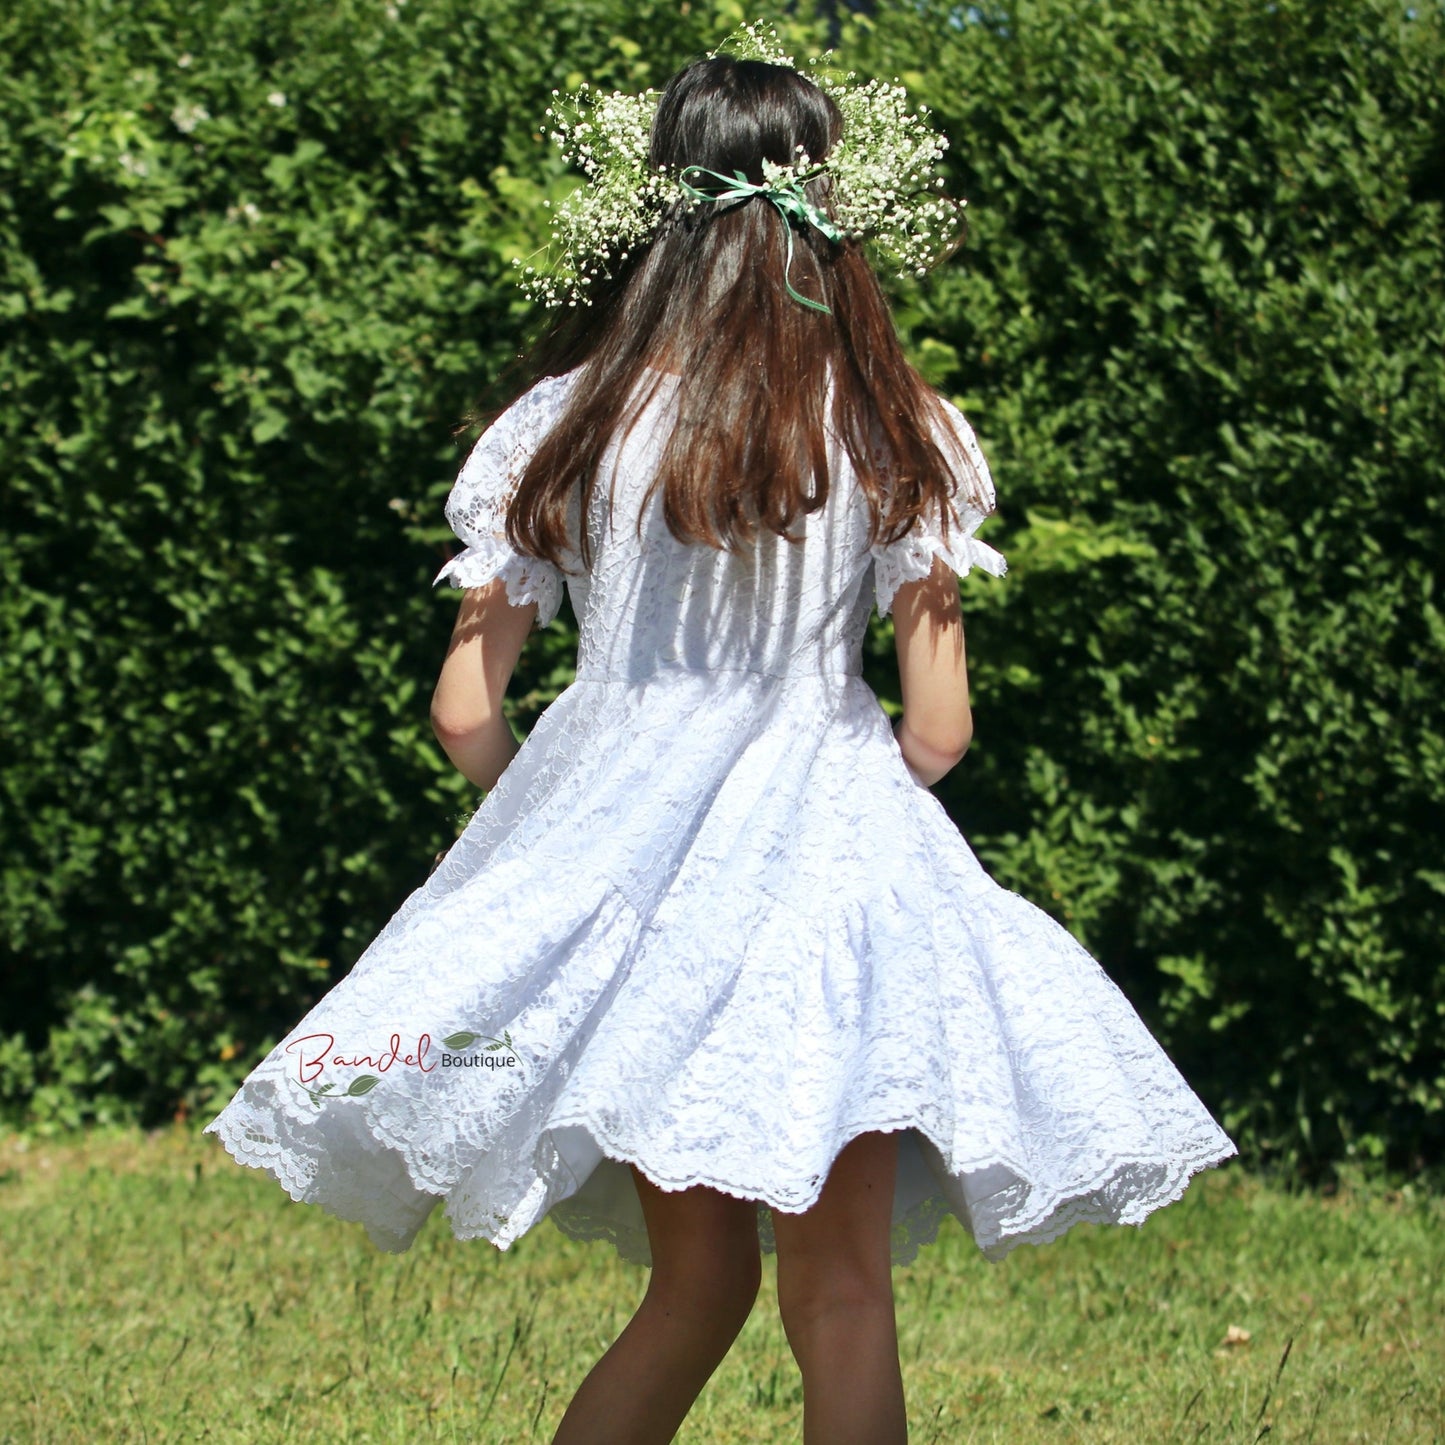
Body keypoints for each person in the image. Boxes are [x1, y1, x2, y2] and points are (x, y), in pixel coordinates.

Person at [204, 41, 1236, 1445]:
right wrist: (849, 796)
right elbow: (941, 726)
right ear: (831, 201)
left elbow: (462, 709)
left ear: (659, 203)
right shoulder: (898, 426)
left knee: (691, 1292)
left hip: (640, 902)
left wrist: (562, 832)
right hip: (833, 878)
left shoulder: (563, 424)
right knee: (844, 1298)